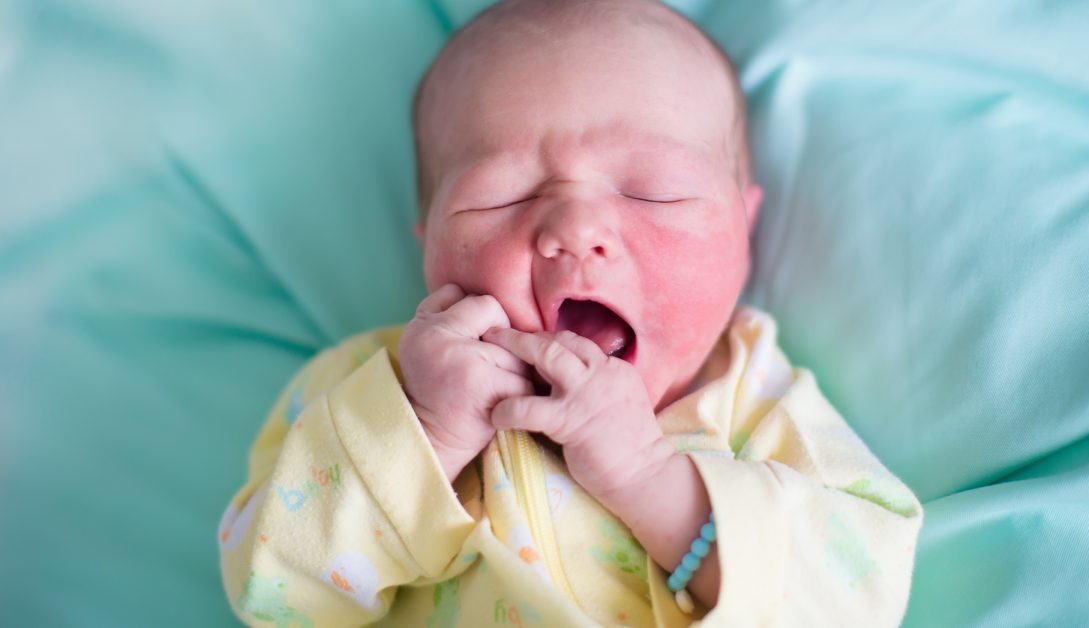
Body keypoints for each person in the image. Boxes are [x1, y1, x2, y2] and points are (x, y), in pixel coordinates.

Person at [218, 0, 922, 625]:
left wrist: (655, 484)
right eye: (501, 197)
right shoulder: (379, 390)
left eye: (656, 192)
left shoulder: (763, 405)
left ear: (745, 229)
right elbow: (276, 597)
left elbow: (860, 596)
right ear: (429, 247)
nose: (575, 229)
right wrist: (424, 433)